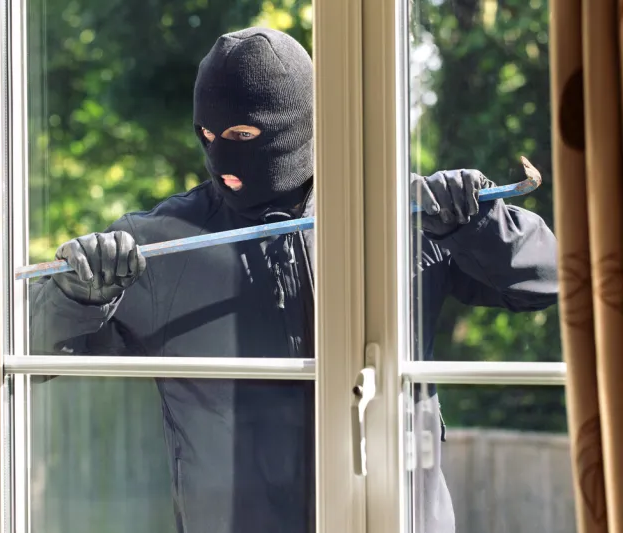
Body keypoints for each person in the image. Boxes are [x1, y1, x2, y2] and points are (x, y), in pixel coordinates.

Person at [29, 27, 558, 533]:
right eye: (207, 134)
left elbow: (549, 280)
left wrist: (480, 224)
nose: (221, 153)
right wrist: (74, 296)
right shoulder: (160, 245)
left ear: (296, 121)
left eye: (242, 134)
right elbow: (24, 351)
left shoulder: (401, 213)